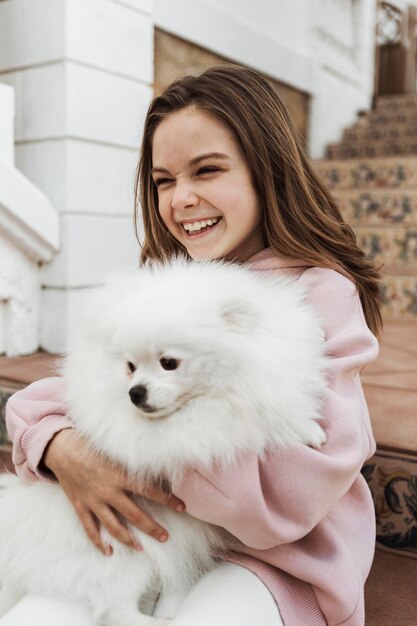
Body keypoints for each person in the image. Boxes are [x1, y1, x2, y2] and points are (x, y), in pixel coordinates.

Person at [3, 65, 382, 626]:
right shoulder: (166, 283)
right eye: (163, 181)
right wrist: (58, 444)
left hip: (273, 559)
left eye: (207, 170)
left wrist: (131, 457)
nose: (182, 199)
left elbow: (296, 491)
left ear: (266, 170)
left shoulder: (317, 293)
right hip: (152, 542)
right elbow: (63, 392)